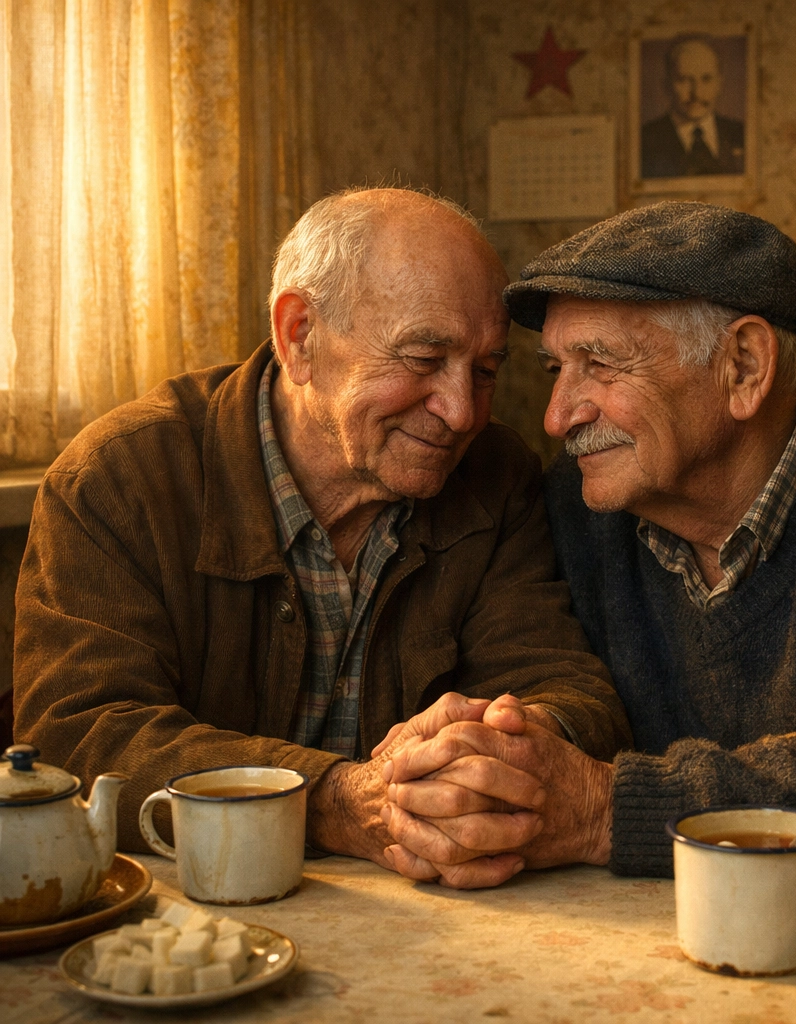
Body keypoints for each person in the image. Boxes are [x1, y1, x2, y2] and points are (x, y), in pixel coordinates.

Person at [378, 203, 796, 983]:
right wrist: (488, 758)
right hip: (663, 956)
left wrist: (604, 808)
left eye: (601, 365)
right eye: (555, 369)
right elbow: (548, 706)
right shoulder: (579, 511)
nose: (556, 417)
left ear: (744, 368)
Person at [11, 187, 631, 866]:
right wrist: (336, 800)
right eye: (424, 360)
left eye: (484, 370)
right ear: (299, 335)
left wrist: (514, 742)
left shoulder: (496, 474)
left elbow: (570, 690)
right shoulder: (118, 478)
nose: (461, 412)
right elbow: (82, 735)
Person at [641, 37, 745, 178]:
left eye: (706, 79)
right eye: (684, 80)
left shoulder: (741, 134)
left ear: (719, 83)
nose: (696, 93)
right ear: (667, 85)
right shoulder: (644, 142)